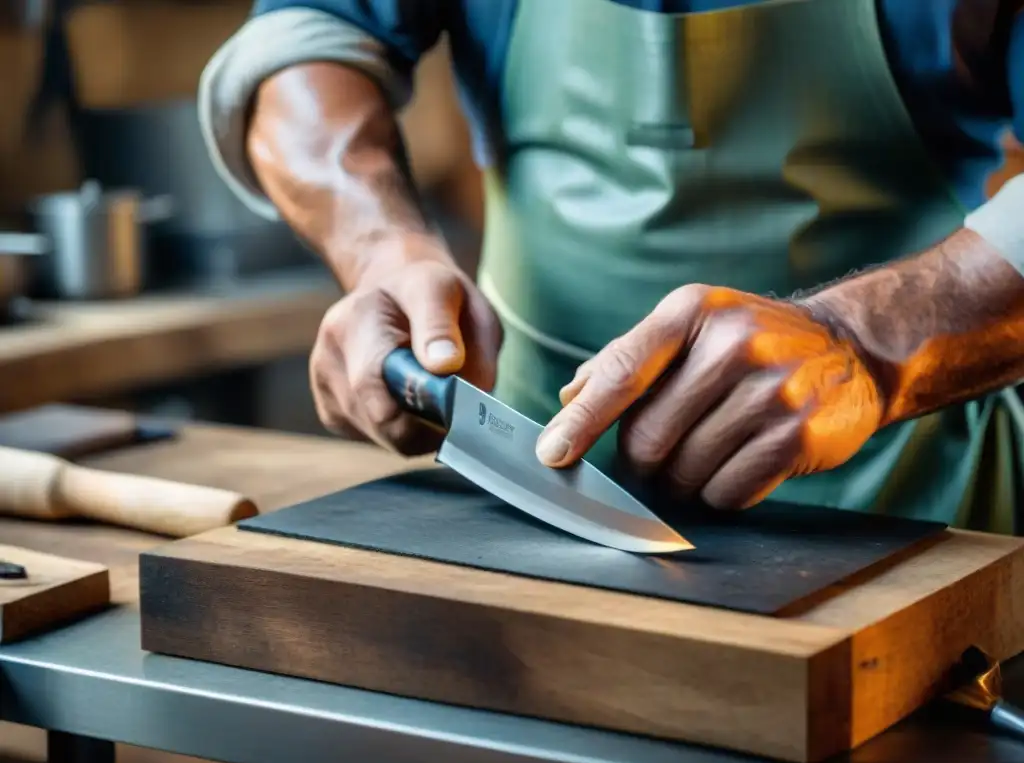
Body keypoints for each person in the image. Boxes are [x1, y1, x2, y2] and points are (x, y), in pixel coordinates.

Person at [199, 0, 1024, 532]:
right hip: (527, 490)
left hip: (916, 490)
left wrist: (861, 341)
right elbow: (304, 36)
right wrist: (380, 248)